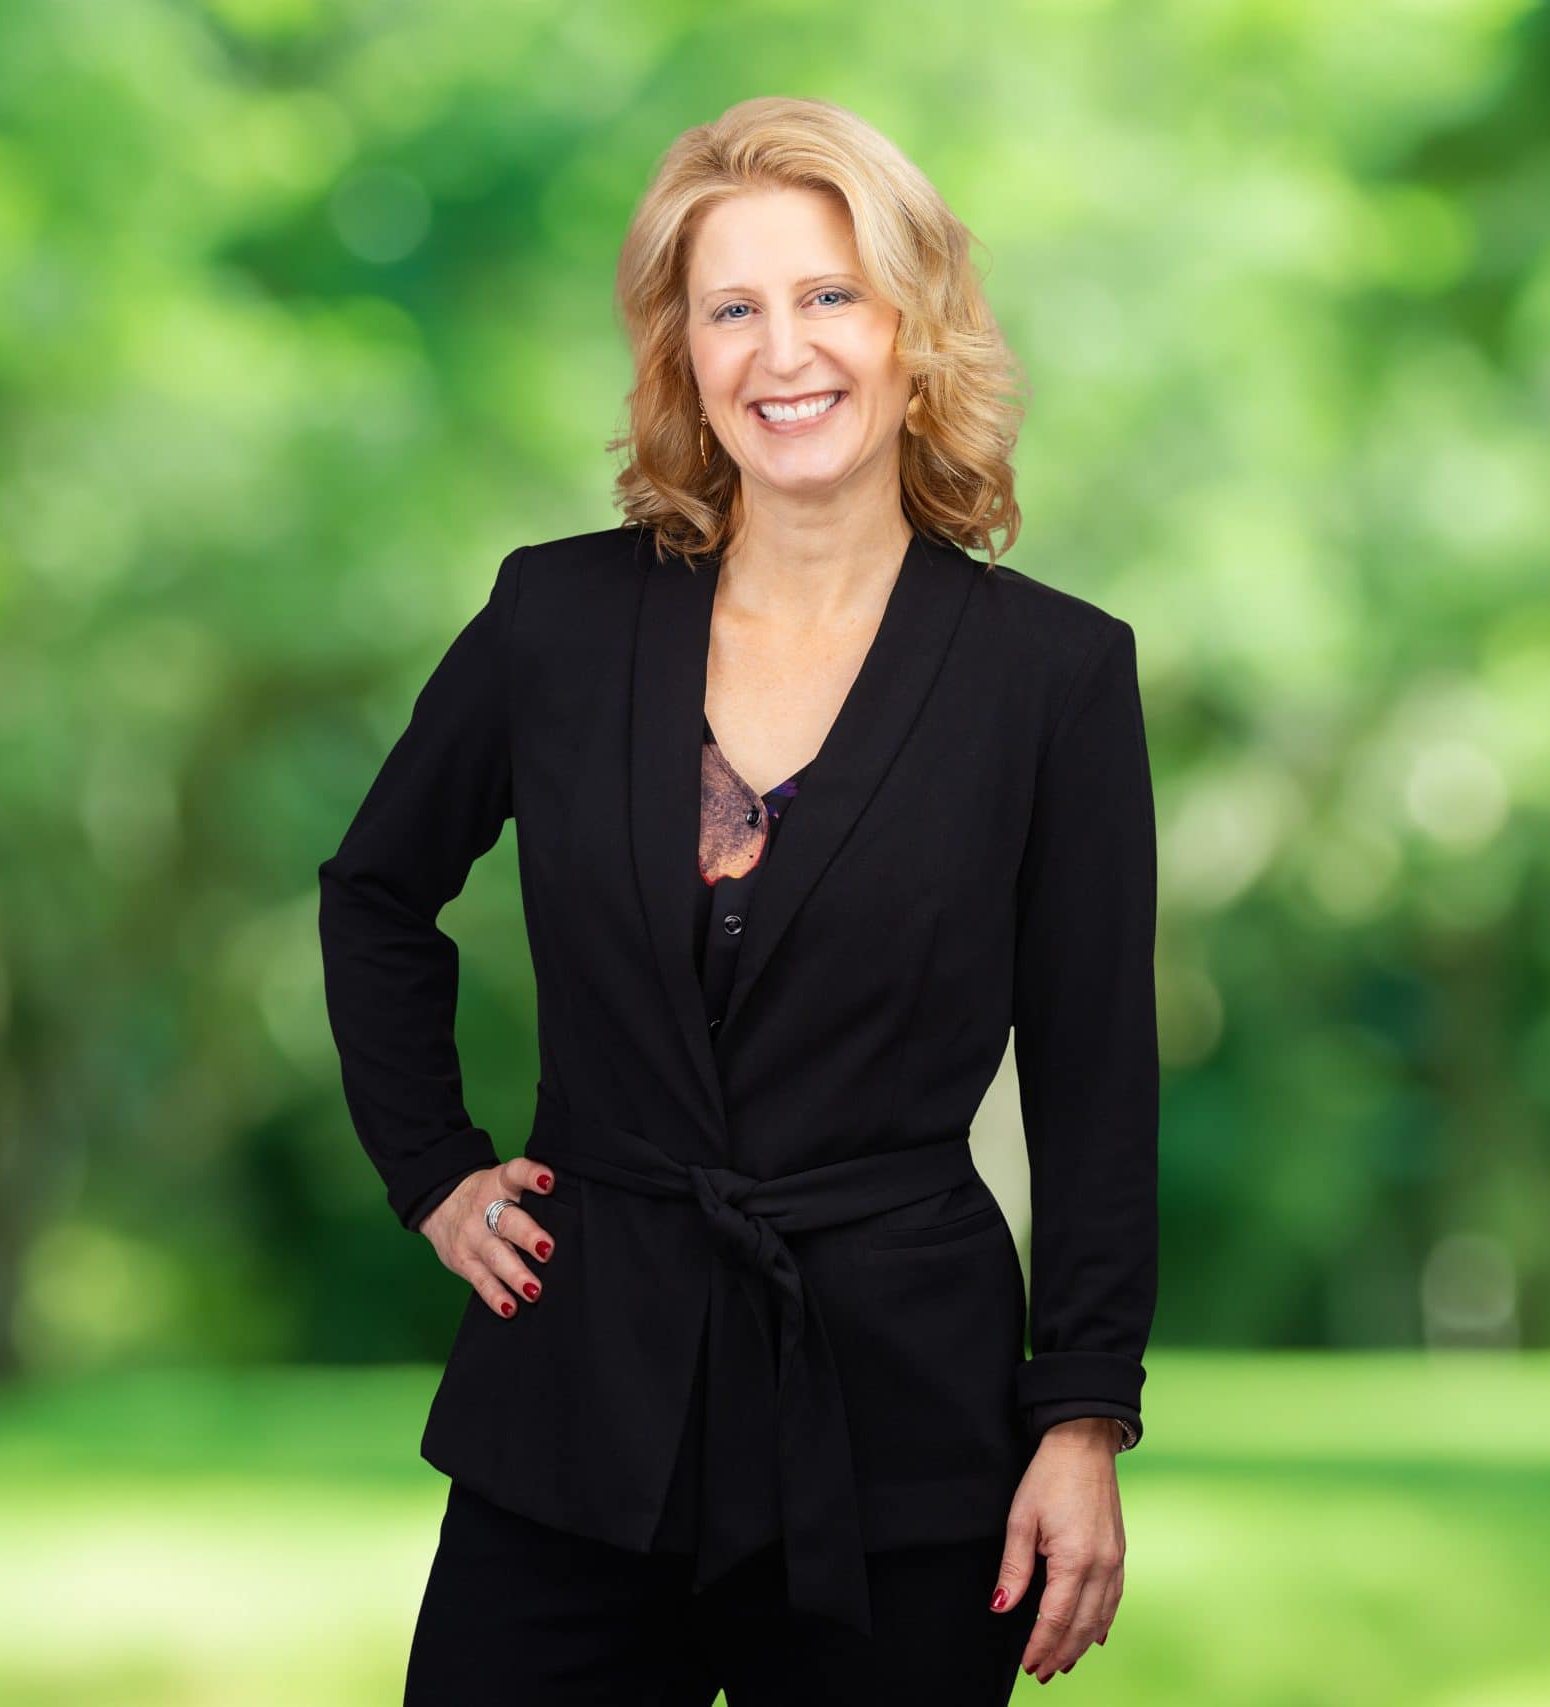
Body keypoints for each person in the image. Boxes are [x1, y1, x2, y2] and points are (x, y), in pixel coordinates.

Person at [316, 94, 1158, 1703]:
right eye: (732, 309)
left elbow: (1096, 1076)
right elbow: (376, 891)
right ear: (683, 353)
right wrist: (433, 1170)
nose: (785, 353)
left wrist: (1082, 1415)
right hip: (573, 1402)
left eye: (831, 294)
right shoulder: (556, 621)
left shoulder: (1054, 677)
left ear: (915, 328)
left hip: (906, 1436)